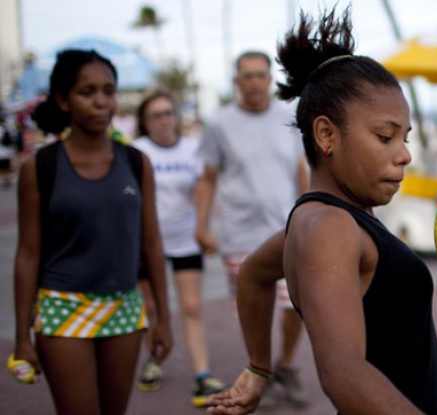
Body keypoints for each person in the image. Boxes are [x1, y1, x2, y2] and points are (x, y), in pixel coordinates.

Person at [205, 6, 437, 415]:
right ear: (326, 134)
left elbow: (254, 273)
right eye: (385, 136)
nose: (405, 155)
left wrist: (258, 366)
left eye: (405, 138)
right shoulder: (328, 226)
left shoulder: (324, 218)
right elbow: (343, 375)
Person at [12, 49, 172, 415]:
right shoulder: (41, 167)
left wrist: (162, 318)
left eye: (109, 91)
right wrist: (23, 337)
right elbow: (27, 254)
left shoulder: (136, 162)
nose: (101, 102)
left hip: (125, 308)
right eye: (87, 92)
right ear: (63, 100)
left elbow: (151, 243)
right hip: (61, 309)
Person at [195, 50, 310, 409]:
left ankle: (287, 366)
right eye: (247, 76)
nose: (255, 82)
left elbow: (300, 168)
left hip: (285, 230)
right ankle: (259, 371)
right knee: (254, 309)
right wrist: (201, 226)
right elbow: (208, 177)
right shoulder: (219, 124)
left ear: (269, 79)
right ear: (236, 81)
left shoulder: (288, 117)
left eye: (261, 75)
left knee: (296, 305)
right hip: (240, 233)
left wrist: (311, 215)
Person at [131, 89, 226, 406]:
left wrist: (203, 227)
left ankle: (202, 375)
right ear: (145, 121)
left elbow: (203, 189)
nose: (163, 120)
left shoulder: (191, 150)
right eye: (155, 115)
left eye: (168, 113)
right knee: (152, 310)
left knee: (191, 307)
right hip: (146, 244)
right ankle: (154, 361)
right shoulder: (136, 151)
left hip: (185, 239)